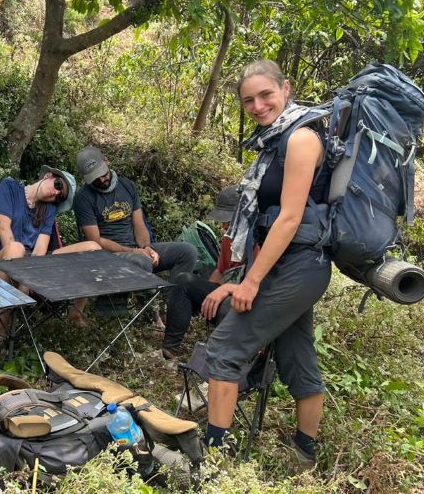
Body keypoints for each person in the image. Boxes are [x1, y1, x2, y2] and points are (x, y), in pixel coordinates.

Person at [203, 59, 331, 469]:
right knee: (297, 355)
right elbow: (265, 224)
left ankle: (212, 462)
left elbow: (290, 218)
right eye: (248, 101)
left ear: (286, 89)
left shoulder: (301, 139)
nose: (257, 106)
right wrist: (239, 278)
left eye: (265, 95)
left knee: (223, 350)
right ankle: (304, 455)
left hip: (299, 266)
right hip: (292, 266)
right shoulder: (274, 142)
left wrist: (252, 282)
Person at [72, 146, 199, 358]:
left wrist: (146, 248)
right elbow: (96, 240)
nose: (101, 181)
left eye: (102, 175)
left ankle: (174, 311)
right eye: (94, 179)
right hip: (107, 255)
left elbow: (139, 225)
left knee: (187, 251)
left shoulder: (127, 186)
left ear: (107, 161)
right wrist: (134, 252)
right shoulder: (83, 198)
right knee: (142, 264)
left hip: (135, 249)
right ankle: (143, 316)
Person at [0, 166, 101, 339]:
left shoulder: (48, 210)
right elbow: (3, 229)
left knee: (92, 247)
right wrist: (23, 274)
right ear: (49, 175)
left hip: (31, 262)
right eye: (58, 185)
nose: (55, 194)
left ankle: (75, 317)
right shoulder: (10, 188)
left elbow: (39, 252)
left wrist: (29, 277)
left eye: (60, 197)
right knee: (16, 248)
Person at [168, 185, 241, 328]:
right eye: (223, 222)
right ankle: (170, 348)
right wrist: (207, 295)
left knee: (227, 307)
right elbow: (220, 271)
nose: (224, 226)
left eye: (228, 221)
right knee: (184, 280)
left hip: (246, 297)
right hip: (227, 290)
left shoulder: (260, 241)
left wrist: (226, 290)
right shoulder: (228, 239)